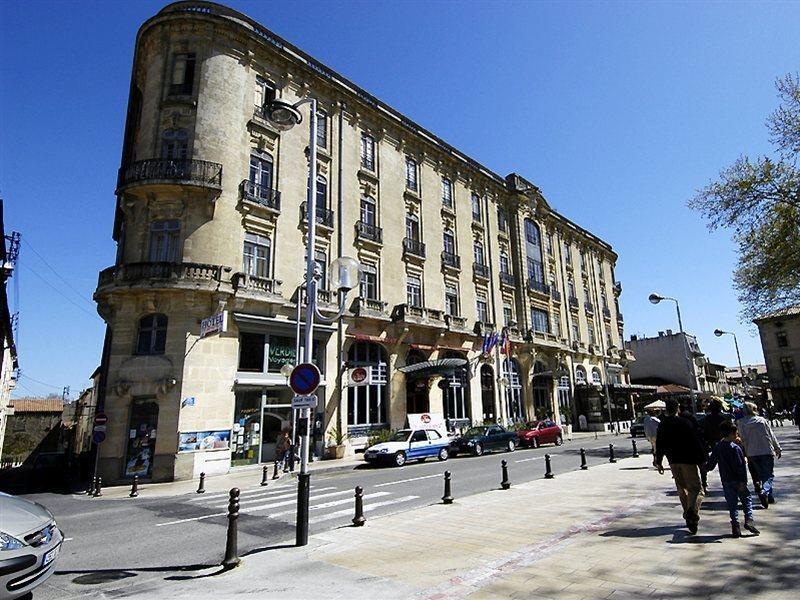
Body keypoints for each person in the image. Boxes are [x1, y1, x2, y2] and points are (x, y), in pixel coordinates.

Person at [655, 398, 708, 534]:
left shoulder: (662, 425)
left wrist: (658, 461)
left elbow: (659, 444)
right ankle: (691, 511)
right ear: (677, 408)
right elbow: (695, 441)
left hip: (673, 461)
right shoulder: (685, 423)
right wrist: (702, 459)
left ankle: (688, 517)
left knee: (682, 489)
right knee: (696, 489)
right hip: (688, 459)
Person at [706, 421, 760, 538]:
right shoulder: (735, 448)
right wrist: (743, 481)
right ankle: (748, 520)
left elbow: (711, 463)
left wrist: (705, 468)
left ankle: (735, 526)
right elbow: (741, 466)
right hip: (737, 479)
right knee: (746, 499)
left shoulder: (718, 446)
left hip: (726, 480)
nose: (737, 434)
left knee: (732, 503)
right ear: (731, 433)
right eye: (736, 432)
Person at [738, 402, 782, 507]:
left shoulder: (741, 423)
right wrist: (777, 448)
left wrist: (744, 453)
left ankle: (769, 498)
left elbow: (742, 440)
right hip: (766, 451)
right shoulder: (762, 421)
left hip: (752, 453)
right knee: (768, 475)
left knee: (762, 475)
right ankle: (765, 492)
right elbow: (771, 435)